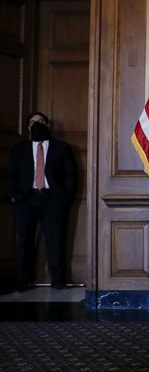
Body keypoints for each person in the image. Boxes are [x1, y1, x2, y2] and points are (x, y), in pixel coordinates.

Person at [7, 112, 77, 291]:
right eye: (32, 122)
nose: (36, 125)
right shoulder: (18, 149)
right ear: (28, 127)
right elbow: (11, 175)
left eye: (40, 122)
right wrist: (15, 195)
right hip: (26, 199)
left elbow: (71, 174)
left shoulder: (61, 148)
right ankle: (23, 281)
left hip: (53, 199)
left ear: (48, 124)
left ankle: (58, 281)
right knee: (24, 241)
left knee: (55, 241)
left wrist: (65, 197)